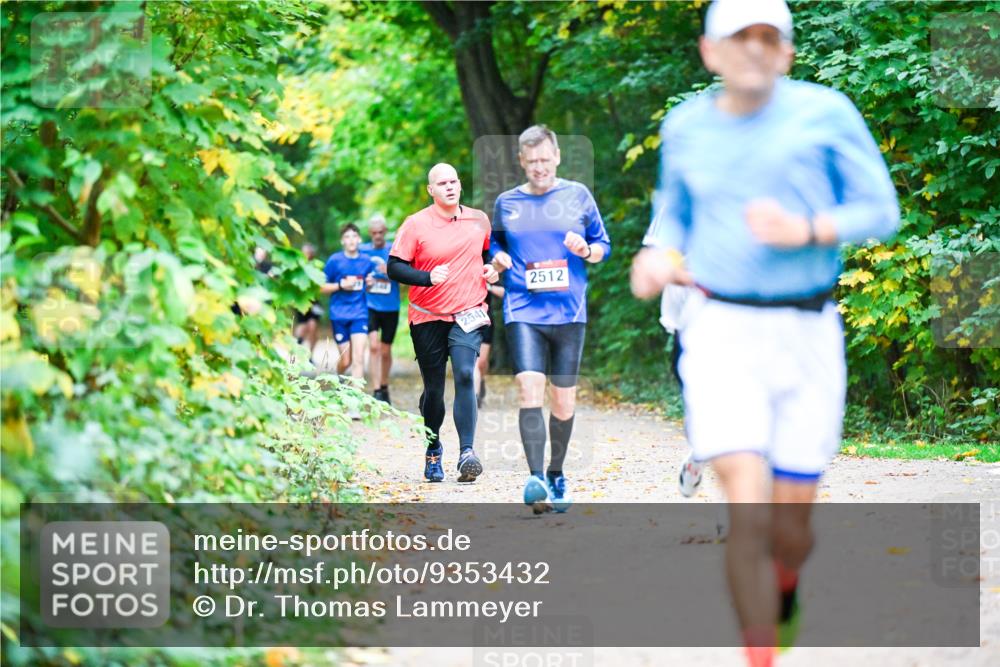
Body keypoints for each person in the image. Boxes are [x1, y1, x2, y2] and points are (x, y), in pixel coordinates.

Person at [630, 1, 899, 665]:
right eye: (737, 37)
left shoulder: (827, 114)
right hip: (720, 328)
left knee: (790, 530)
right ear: (709, 52)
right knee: (746, 512)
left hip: (807, 330)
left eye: (767, 38)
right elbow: (673, 214)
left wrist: (809, 229)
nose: (753, 49)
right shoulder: (686, 126)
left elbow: (881, 210)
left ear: (786, 52)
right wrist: (655, 253)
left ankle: (786, 582)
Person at [491, 125, 611, 512]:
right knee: (529, 388)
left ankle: (556, 472)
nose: (540, 167)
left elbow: (602, 245)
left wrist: (587, 249)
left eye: (546, 159)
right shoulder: (507, 202)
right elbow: (494, 242)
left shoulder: (578, 196)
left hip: (569, 311)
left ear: (557, 156)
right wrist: (498, 257)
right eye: (532, 161)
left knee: (563, 401)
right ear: (521, 161)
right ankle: (536, 478)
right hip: (523, 308)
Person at [387, 163, 500, 483]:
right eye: (442, 183)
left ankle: (467, 453)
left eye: (453, 181)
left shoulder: (479, 219)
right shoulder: (415, 224)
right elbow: (394, 267)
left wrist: (492, 269)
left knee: (466, 373)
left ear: (460, 185)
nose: (449, 187)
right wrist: (426, 277)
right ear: (431, 190)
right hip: (426, 316)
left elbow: (490, 255)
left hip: (468, 311)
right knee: (434, 391)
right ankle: (433, 448)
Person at [322, 224, 376, 385]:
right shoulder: (334, 261)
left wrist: (371, 283)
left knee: (358, 358)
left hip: (359, 313)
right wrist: (340, 285)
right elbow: (321, 287)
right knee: (346, 361)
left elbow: (369, 285)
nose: (351, 240)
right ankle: (339, 380)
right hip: (339, 314)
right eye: (347, 237)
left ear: (359, 239)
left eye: (354, 236)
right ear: (342, 241)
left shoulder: (366, 261)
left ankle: (355, 407)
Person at [361, 215, 401, 404]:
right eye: (374, 232)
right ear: (370, 233)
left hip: (391, 306)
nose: (377, 235)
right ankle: (376, 389)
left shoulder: (394, 250)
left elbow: (407, 276)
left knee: (385, 350)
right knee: (374, 346)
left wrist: (391, 271)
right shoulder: (362, 251)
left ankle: (384, 385)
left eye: (380, 232)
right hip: (369, 305)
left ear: (385, 232)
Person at [474, 284, 505, 409]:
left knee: (481, 362)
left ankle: (480, 381)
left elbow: (505, 292)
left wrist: (488, 287)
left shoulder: (489, 268)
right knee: (473, 363)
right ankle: (474, 398)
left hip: (485, 319)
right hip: (463, 319)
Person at [293, 243, 323, 360]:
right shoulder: (296, 267)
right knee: (302, 326)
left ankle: (310, 355)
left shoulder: (316, 266)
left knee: (313, 326)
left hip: (314, 302)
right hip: (301, 301)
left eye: (309, 252)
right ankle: (297, 345)